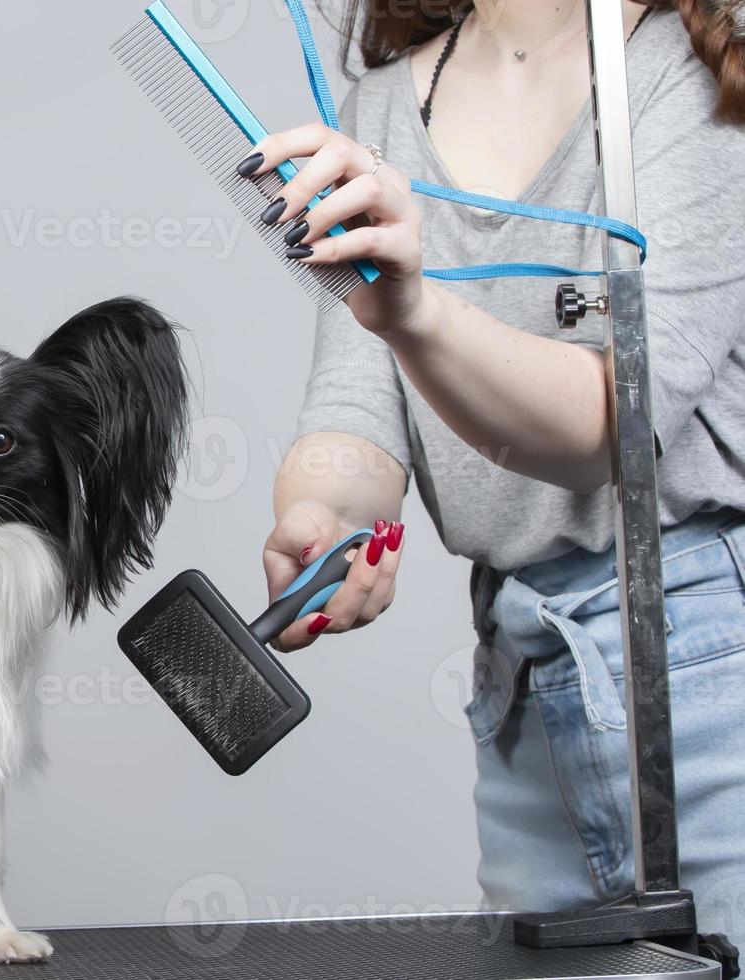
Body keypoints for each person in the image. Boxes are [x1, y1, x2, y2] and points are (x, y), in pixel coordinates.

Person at [245, 0, 745, 933]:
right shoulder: (387, 107)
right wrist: (320, 512)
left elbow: (616, 426)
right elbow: (359, 404)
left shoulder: (699, 72)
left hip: (704, 667)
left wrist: (415, 311)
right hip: (523, 682)